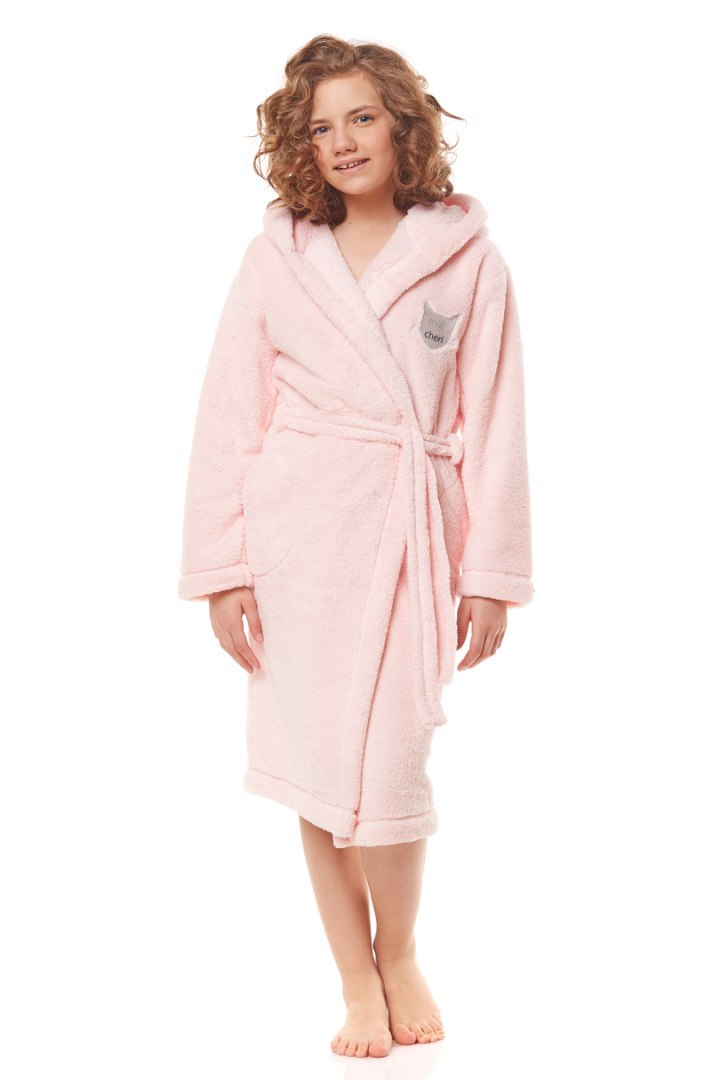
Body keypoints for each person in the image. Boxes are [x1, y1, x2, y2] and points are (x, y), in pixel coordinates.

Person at [177, 33, 534, 1059]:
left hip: (413, 536)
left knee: (391, 766)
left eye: (362, 118)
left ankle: (401, 949)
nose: (342, 142)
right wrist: (225, 570)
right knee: (317, 764)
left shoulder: (468, 259)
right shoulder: (275, 261)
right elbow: (229, 416)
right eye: (320, 127)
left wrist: (491, 574)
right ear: (301, 147)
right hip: (300, 541)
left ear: (402, 124)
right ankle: (354, 977)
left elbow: (493, 418)